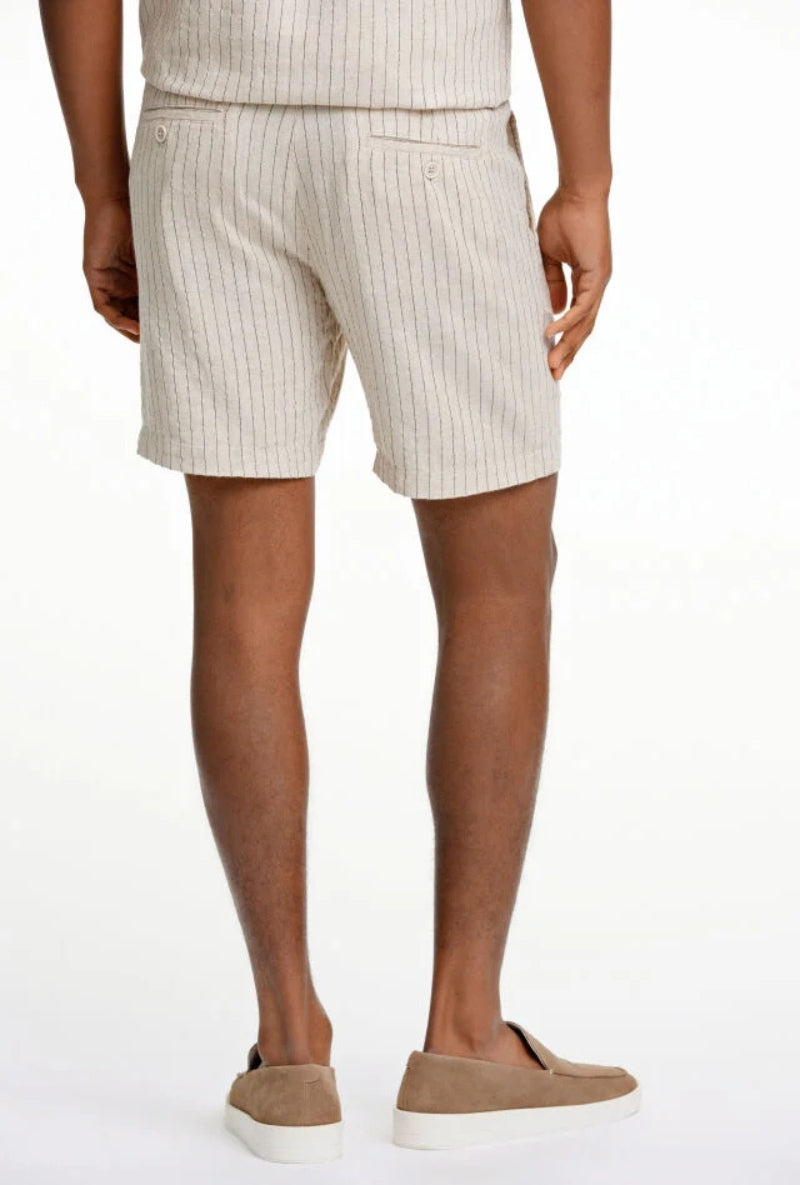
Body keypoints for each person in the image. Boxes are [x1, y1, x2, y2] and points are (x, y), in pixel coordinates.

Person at [40, 0, 639, 1163]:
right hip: (424, 128)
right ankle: (465, 1037)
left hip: (205, 137)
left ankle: (288, 1052)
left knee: (242, 606)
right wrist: (586, 178)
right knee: (497, 587)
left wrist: (102, 185)